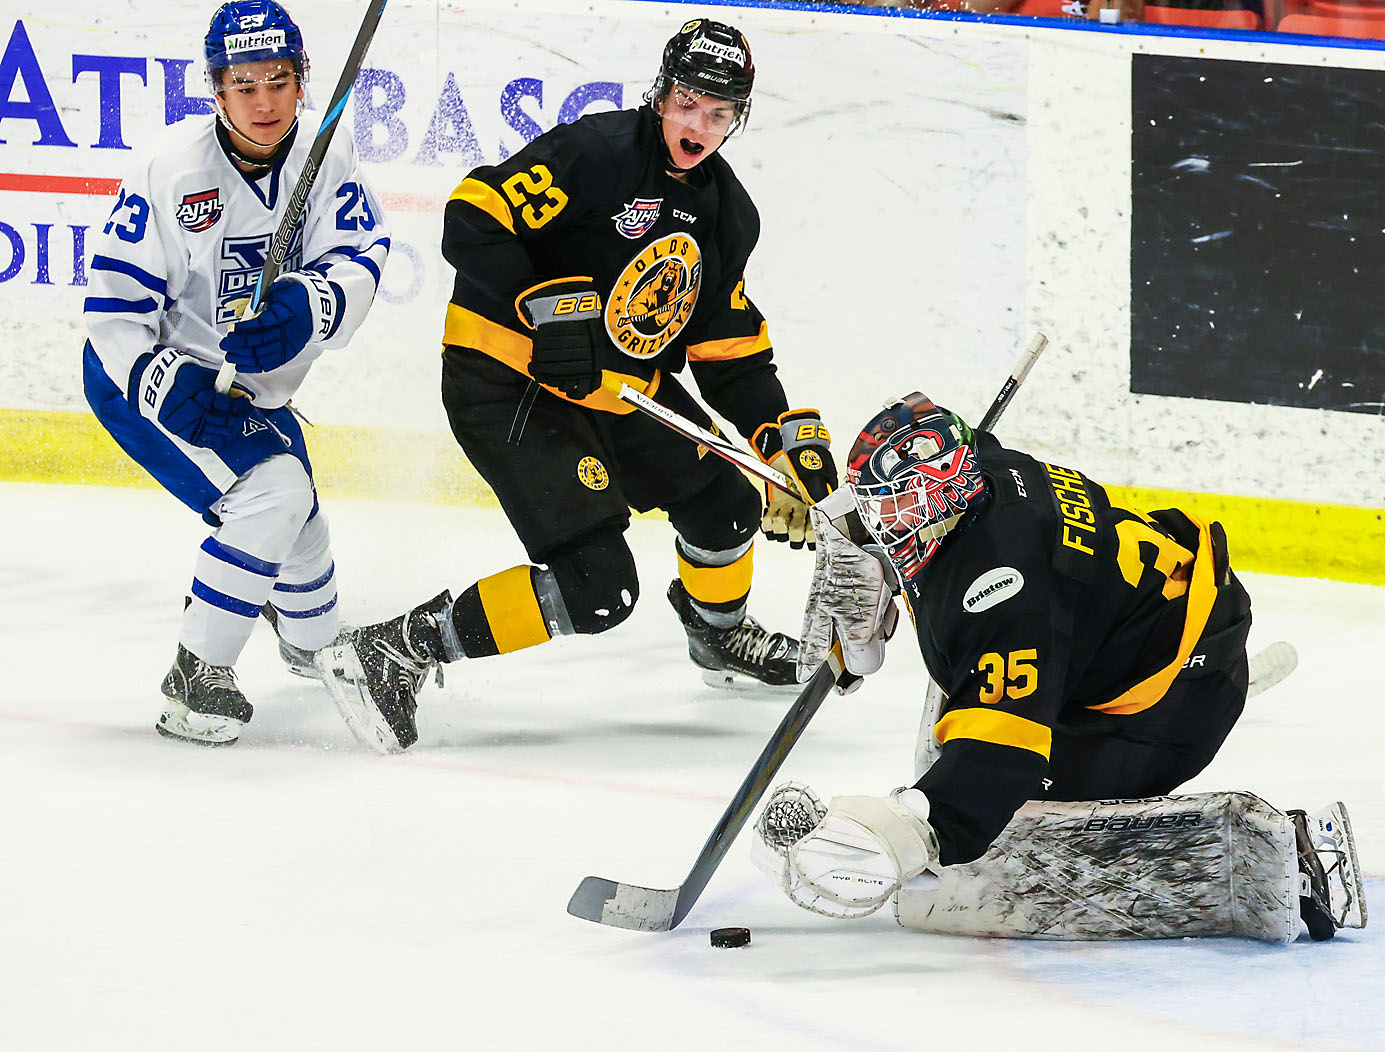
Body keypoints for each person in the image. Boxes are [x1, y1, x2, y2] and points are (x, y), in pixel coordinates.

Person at [319, 20, 837, 753]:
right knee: (598, 585)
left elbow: (730, 356)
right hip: (507, 378)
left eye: (718, 114)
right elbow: (472, 216)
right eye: (688, 102)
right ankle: (396, 647)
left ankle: (717, 637)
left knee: (726, 504)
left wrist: (782, 441)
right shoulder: (599, 153)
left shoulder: (728, 214)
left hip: (620, 390)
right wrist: (551, 303)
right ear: (663, 92)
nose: (698, 126)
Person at [751, 392, 1364, 942]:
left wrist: (918, 830)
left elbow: (1004, 760)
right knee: (960, 741)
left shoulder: (1003, 592)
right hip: (1137, 627)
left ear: (936, 498)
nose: (879, 525)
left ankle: (1286, 851)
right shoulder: (983, 469)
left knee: (1012, 844)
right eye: (873, 508)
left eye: (890, 511)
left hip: (1170, 702)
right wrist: (855, 536)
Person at [80, 0, 390, 746]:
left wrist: (312, 305)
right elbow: (114, 311)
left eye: (278, 81)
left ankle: (307, 641)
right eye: (244, 84)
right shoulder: (170, 169)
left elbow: (363, 259)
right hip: (148, 377)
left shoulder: (327, 156)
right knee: (273, 490)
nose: (263, 102)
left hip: (249, 386)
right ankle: (196, 675)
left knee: (304, 535)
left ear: (301, 80)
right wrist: (158, 375)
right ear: (216, 90)